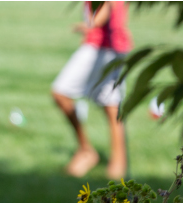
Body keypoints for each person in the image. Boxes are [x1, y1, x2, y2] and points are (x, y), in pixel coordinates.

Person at [51, 1, 132, 179]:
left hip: (102, 47)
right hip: (113, 44)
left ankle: (87, 151)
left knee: (60, 91)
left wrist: (92, 23)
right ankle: (117, 169)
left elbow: (106, 5)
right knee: (112, 106)